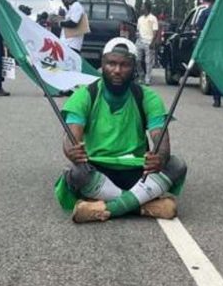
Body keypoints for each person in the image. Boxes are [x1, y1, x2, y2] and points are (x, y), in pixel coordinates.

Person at [56, 38, 187, 223]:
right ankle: (142, 203)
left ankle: (109, 207)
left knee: (176, 165)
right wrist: (71, 150)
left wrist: (161, 157)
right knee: (77, 173)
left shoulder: (147, 97)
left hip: (137, 171)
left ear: (134, 67)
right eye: (111, 63)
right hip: (98, 170)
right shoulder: (85, 95)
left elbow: (161, 137)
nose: (117, 70)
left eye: (124, 65)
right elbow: (71, 137)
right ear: (102, 65)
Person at [195, 0, 223, 107]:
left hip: (211, 45)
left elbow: (198, 26)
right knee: (222, 70)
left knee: (213, 71)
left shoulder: (206, 12)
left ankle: (217, 98)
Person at [135, 2, 160, 85]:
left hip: (149, 42)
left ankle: (147, 79)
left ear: (146, 8)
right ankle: (141, 75)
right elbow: (138, 30)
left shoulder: (153, 18)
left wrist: (153, 42)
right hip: (140, 41)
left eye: (142, 7)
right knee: (137, 60)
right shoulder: (140, 19)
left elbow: (155, 31)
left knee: (148, 62)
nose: (141, 8)